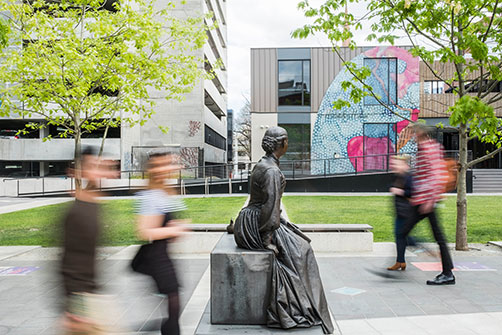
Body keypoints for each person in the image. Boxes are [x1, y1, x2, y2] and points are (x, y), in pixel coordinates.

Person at [232, 127, 334, 334]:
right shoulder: (272, 171)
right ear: (283, 143)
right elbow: (270, 207)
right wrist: (268, 239)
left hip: (251, 217)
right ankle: (302, 304)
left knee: (298, 240)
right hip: (259, 223)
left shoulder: (264, 163)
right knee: (302, 250)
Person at [60, 146, 117, 333]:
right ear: (81, 171)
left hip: (93, 295)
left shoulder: (95, 205)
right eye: (93, 166)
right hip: (82, 301)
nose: (99, 171)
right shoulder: (76, 212)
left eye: (100, 166)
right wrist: (74, 308)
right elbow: (68, 262)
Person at [132, 152, 188, 335]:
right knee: (173, 301)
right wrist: (174, 230)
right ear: (153, 170)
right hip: (156, 258)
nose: (166, 168)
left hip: (163, 254)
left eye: (167, 164)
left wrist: (176, 230)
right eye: (161, 165)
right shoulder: (151, 196)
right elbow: (144, 231)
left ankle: (166, 328)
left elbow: (168, 230)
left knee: (174, 302)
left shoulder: (165, 192)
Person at [397, 124, 455, 285]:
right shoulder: (424, 149)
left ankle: (447, 273)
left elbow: (437, 175)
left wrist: (430, 200)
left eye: (416, 133)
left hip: (427, 202)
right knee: (404, 232)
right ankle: (446, 270)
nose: (413, 136)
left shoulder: (429, 149)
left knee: (407, 232)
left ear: (422, 134)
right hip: (421, 201)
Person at [387, 155, 414, 271]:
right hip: (400, 211)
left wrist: (399, 191)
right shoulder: (399, 177)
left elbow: (411, 192)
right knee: (400, 236)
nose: (393, 166)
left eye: (396, 164)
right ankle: (400, 261)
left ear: (404, 165)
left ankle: (423, 247)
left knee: (403, 237)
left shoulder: (409, 177)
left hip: (406, 212)